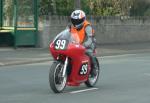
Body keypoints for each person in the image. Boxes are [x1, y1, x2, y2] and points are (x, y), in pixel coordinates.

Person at [69, 10, 97, 75]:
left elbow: (90, 39)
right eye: (74, 20)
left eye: (78, 21)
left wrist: (83, 45)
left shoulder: (87, 26)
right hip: (76, 45)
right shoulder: (71, 27)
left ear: (83, 19)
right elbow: (65, 34)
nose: (76, 22)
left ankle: (94, 68)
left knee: (89, 52)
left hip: (89, 43)